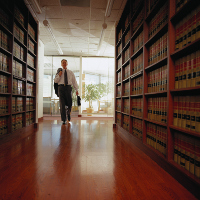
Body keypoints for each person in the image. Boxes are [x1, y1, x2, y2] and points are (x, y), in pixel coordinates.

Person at [54, 59, 78, 124]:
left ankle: (68, 114)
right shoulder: (59, 72)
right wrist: (59, 75)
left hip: (68, 88)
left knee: (69, 103)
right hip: (61, 88)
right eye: (63, 63)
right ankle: (64, 119)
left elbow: (74, 81)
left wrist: (76, 89)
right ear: (61, 64)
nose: (64, 64)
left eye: (65, 63)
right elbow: (55, 81)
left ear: (67, 64)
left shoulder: (70, 72)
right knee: (62, 104)